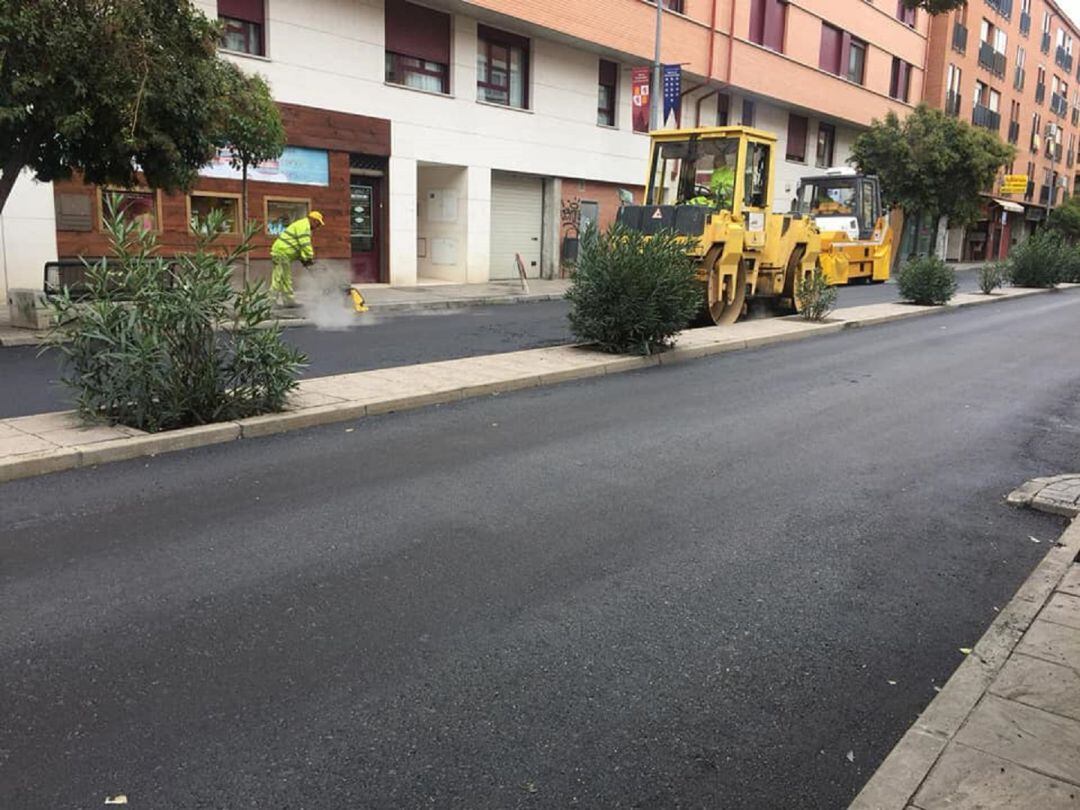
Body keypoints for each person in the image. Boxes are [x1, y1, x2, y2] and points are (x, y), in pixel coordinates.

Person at [270, 211, 324, 307]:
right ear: (313, 220)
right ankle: (271, 301)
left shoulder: (302, 225)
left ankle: (288, 301)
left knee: (286, 278)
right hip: (281, 252)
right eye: (318, 224)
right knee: (278, 277)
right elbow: (304, 243)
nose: (317, 227)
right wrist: (308, 257)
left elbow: (297, 245)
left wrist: (303, 258)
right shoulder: (304, 226)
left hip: (283, 253)